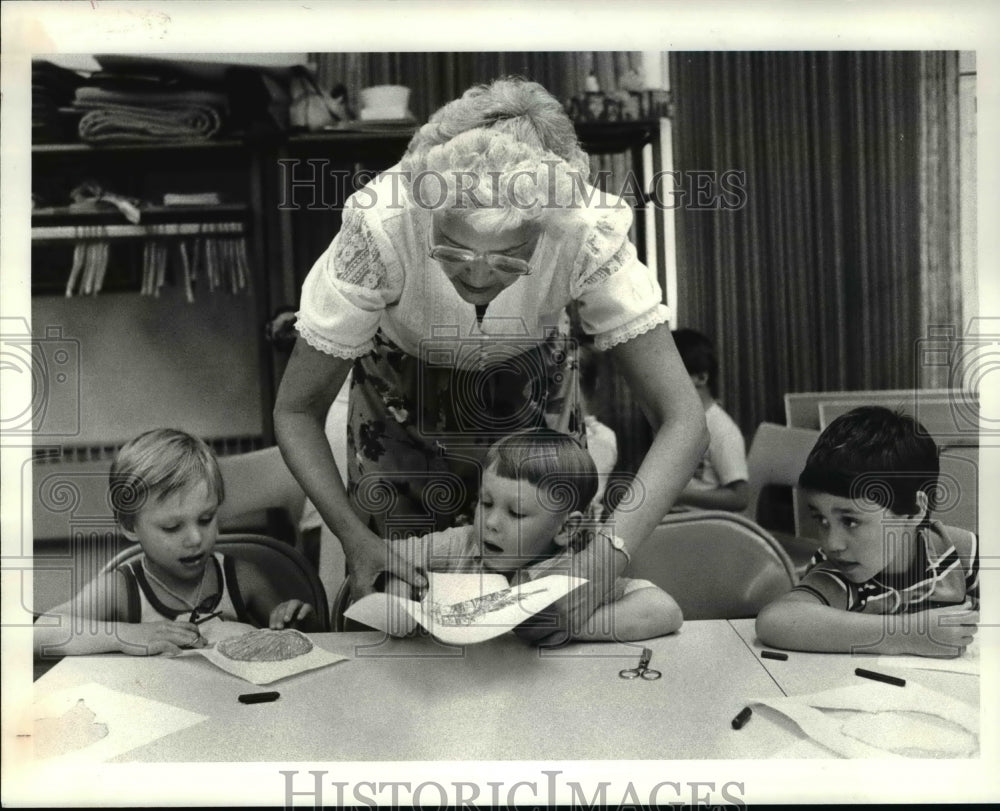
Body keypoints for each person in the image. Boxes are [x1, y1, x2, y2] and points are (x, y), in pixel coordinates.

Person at [273, 77, 708, 640]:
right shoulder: (380, 224)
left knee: (550, 605)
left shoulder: (585, 227)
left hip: (531, 390)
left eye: (509, 259)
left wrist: (605, 563)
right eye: (452, 251)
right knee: (402, 612)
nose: (478, 276)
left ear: (548, 226)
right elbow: (295, 410)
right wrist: (357, 542)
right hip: (401, 404)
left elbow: (684, 419)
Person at [34, 429, 317, 658]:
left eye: (206, 519)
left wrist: (294, 620)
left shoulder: (241, 577)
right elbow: (36, 634)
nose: (195, 538)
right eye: (172, 527)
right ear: (130, 526)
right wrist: (125, 635)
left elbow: (304, 638)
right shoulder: (122, 589)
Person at [382, 427, 683, 642]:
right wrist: (398, 588)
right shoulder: (461, 544)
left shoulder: (570, 574)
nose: (491, 522)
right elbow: (383, 557)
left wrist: (568, 623)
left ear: (565, 529)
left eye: (516, 513)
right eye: (485, 503)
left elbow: (664, 610)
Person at [755, 407, 979, 656]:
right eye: (821, 519)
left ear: (914, 511)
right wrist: (908, 634)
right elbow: (775, 621)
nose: (832, 544)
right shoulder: (839, 573)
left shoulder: (958, 550)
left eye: (850, 521)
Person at [670, 328, 749, 512]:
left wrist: (676, 494)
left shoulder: (721, 429)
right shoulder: (674, 422)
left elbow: (740, 497)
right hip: (676, 518)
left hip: (703, 524)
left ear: (701, 377)